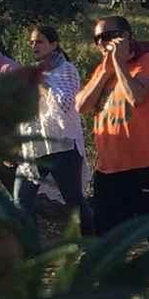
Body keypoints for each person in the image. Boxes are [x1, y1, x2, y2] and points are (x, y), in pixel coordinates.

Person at [77, 16, 149, 247]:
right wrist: (106, 71)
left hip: (146, 166)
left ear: (127, 36)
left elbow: (136, 96)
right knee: (104, 235)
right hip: (109, 168)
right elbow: (82, 106)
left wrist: (119, 64)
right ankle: (107, 281)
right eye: (97, 38)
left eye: (108, 36)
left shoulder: (147, 61)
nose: (102, 42)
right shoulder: (103, 68)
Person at [13, 26, 91, 230]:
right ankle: (30, 253)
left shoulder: (67, 70)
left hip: (61, 146)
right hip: (35, 145)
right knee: (21, 201)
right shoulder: (32, 70)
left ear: (53, 44)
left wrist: (42, 82)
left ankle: (93, 244)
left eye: (39, 41)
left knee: (74, 201)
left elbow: (64, 106)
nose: (34, 46)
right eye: (31, 42)